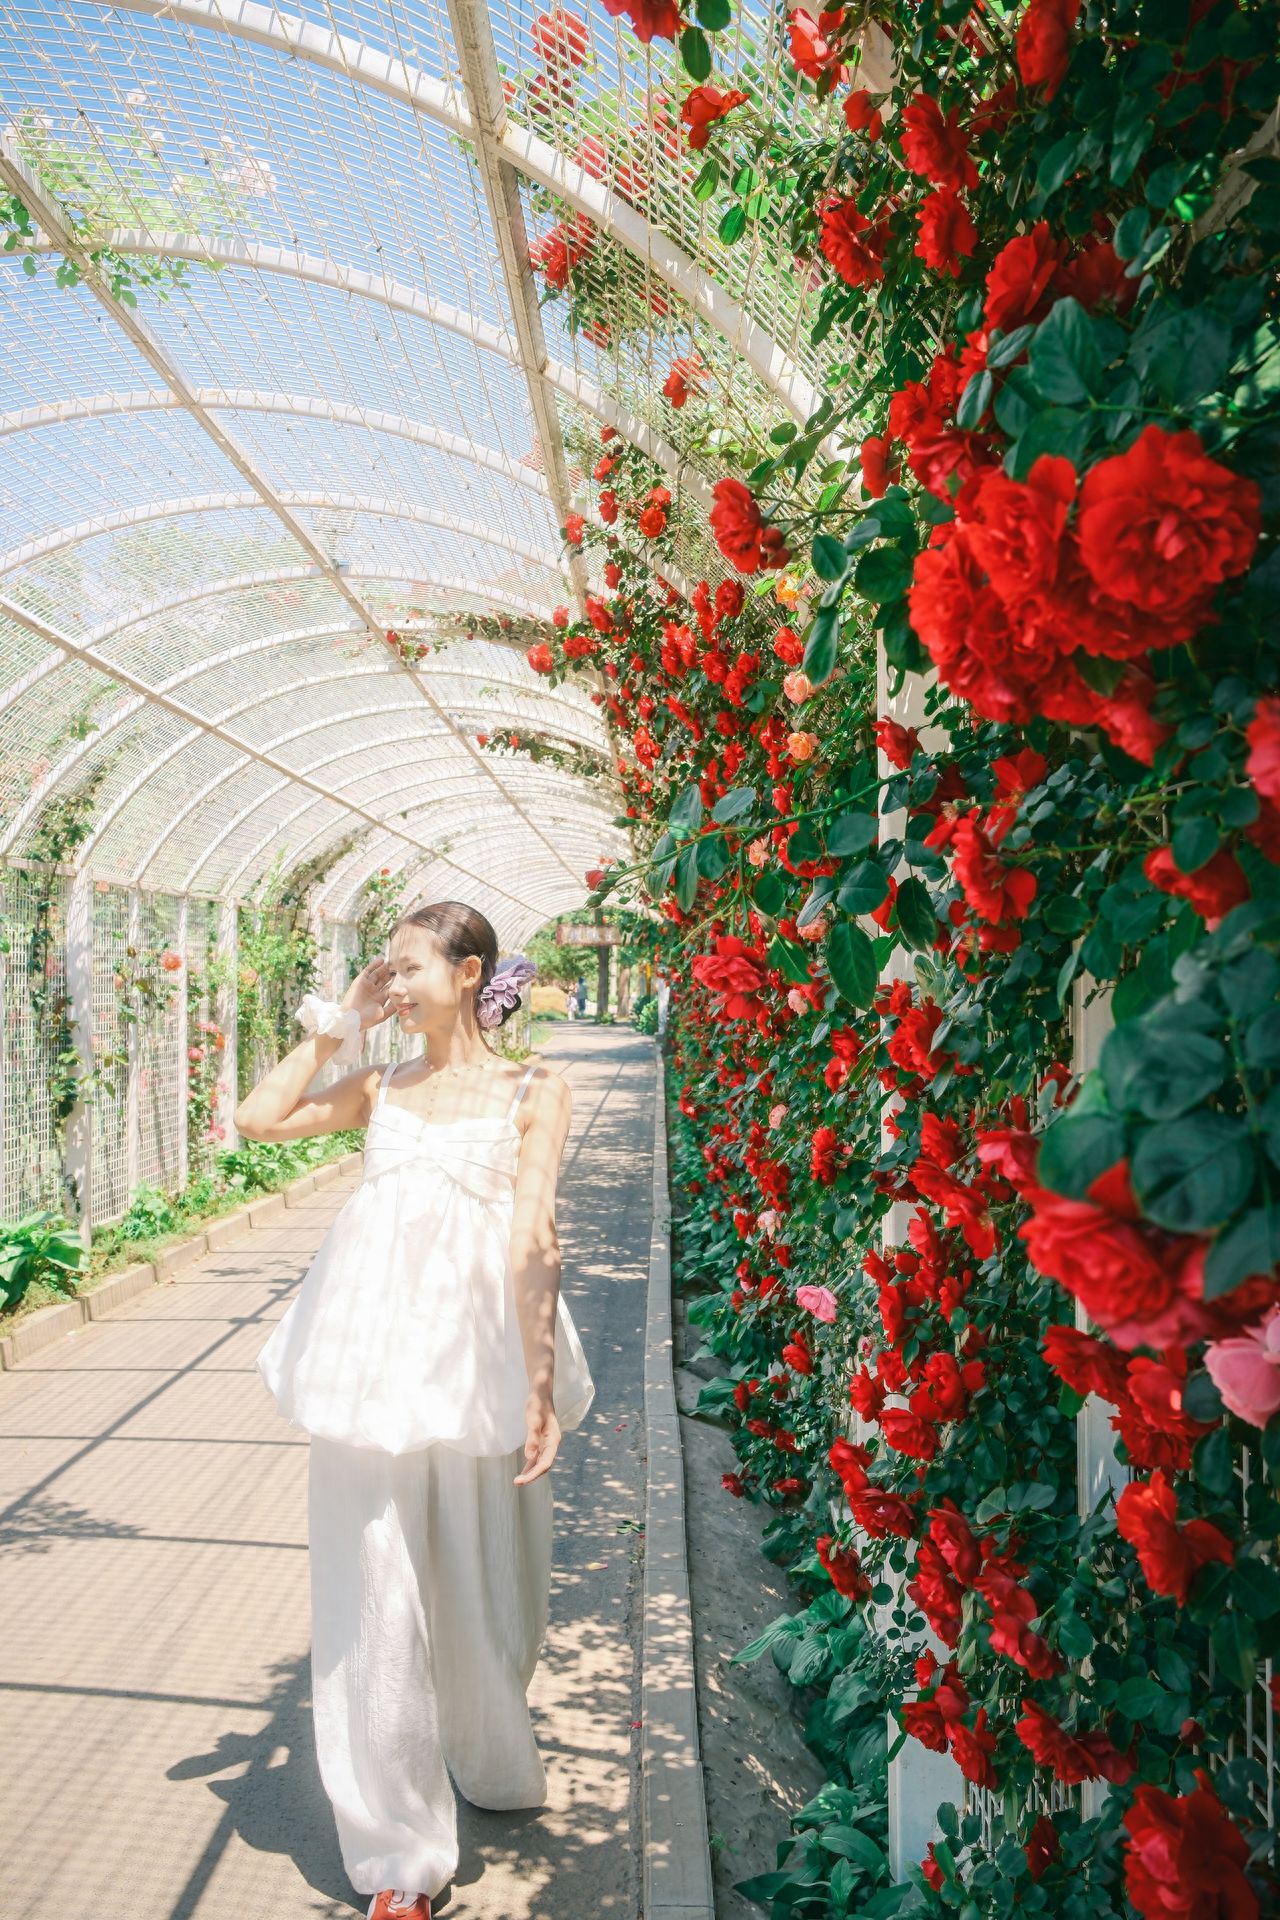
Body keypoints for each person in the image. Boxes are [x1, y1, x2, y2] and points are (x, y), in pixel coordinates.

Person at [237, 900, 595, 1920]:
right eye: (381, 971)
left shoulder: (535, 1088)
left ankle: (486, 1753)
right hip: (365, 1368)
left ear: (468, 968)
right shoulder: (379, 1085)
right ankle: (397, 1854)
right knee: (373, 1598)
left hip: (478, 1361)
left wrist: (536, 1389)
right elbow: (260, 1119)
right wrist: (334, 1026)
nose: (389, 982)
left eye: (403, 968)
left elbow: (535, 1238)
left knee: (498, 1588)